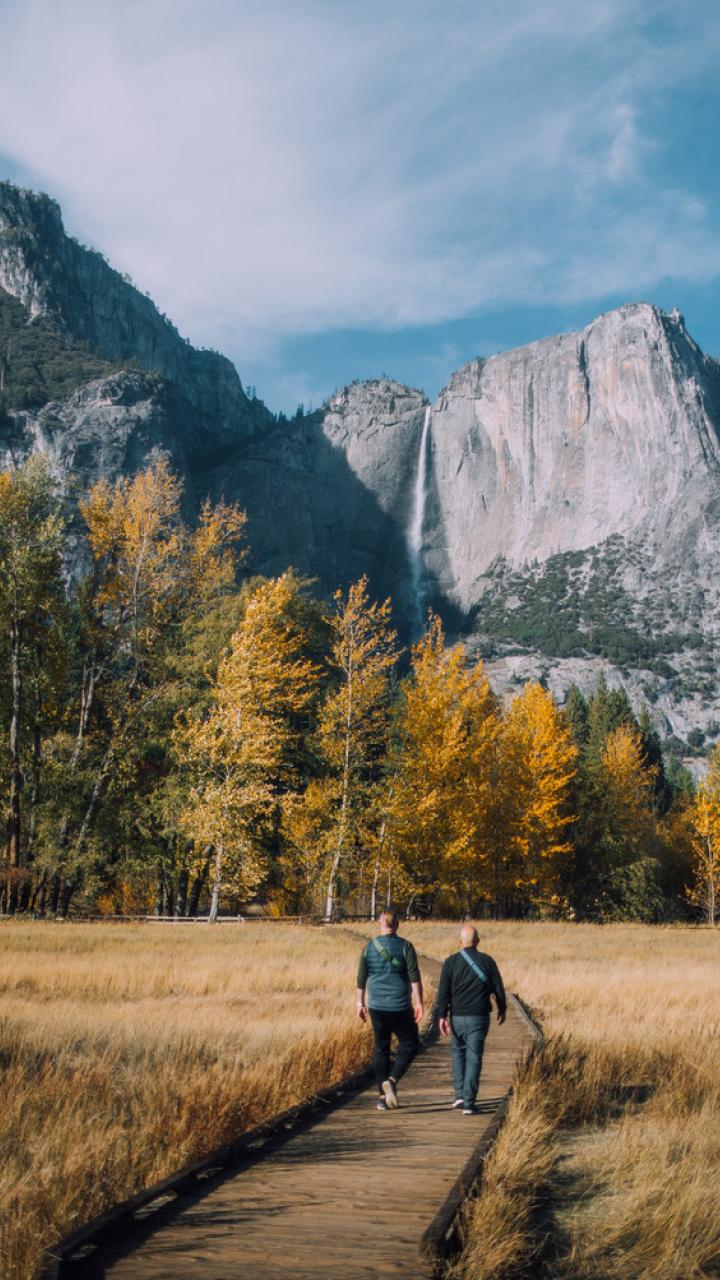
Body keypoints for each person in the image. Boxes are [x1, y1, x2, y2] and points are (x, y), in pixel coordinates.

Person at [356, 909, 424, 1111]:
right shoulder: (406, 947)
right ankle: (392, 1080)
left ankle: (381, 1098)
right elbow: (414, 976)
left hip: (376, 1006)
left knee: (381, 1048)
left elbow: (361, 978)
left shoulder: (369, 947)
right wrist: (419, 1002)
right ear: (397, 924)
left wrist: (360, 1004)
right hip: (400, 1005)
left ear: (380, 924)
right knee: (410, 1043)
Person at [437, 924, 506, 1115]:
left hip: (457, 1017)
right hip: (479, 1017)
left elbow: (443, 992)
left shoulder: (450, 962)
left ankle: (459, 1095)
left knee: (458, 1054)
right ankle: (469, 1102)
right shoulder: (487, 961)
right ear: (477, 942)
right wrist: (502, 1009)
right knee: (474, 1058)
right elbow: (498, 988)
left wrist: (442, 1016)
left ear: (460, 942)